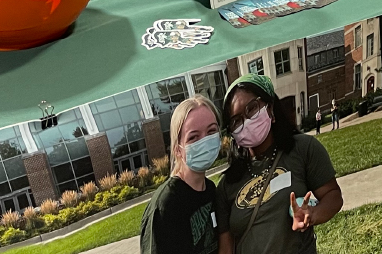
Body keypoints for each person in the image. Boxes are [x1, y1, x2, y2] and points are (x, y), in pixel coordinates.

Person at [218, 73, 342, 254]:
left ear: (270, 108)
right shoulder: (227, 184)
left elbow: (333, 195)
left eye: (252, 108)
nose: (246, 121)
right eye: (236, 121)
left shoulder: (303, 149)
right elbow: (226, 249)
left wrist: (312, 214)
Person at [141, 94, 228, 254]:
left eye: (211, 131)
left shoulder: (210, 190)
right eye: (193, 137)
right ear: (177, 149)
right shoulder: (165, 205)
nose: (205, 141)